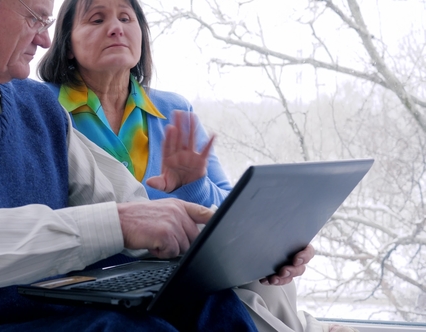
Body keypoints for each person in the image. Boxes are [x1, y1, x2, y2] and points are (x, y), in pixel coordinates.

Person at [0, 0, 313, 331]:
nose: (46, 38)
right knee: (120, 328)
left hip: (41, 316)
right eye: (36, 18)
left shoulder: (38, 108)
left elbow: (128, 204)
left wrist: (246, 246)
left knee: (211, 305)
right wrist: (121, 224)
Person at [36, 1, 359, 331]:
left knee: (269, 282)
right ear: (67, 43)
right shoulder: (41, 108)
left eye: (125, 17)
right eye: (96, 19)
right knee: (233, 300)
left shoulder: (173, 108)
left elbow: (229, 209)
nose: (116, 27)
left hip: (184, 265)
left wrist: (273, 243)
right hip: (104, 274)